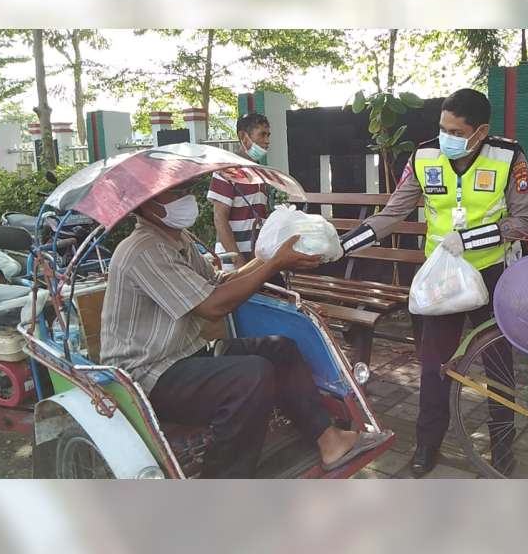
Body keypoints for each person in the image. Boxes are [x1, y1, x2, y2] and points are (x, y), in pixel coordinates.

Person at [100, 180, 390, 478]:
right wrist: (274, 263)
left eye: (186, 191)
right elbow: (214, 306)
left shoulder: (176, 240)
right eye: (176, 194)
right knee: (250, 375)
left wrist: (268, 257)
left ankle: (329, 441)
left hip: (183, 355)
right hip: (146, 376)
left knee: (280, 347)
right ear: (146, 204)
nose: (186, 199)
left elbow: (219, 283)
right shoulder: (143, 250)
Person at [340, 88, 528, 476]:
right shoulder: (425, 155)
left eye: (455, 130)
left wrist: (469, 239)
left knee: (498, 365)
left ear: (480, 132)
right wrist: (342, 245)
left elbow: (525, 221)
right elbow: (393, 213)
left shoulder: (509, 157)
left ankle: (501, 445)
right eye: (442, 127)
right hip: (442, 280)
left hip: (491, 273)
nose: (445, 135)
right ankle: (427, 444)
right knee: (434, 366)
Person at [207, 113, 272, 269]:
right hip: (232, 261)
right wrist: (239, 262)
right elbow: (219, 219)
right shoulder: (227, 171)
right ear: (243, 136)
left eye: (268, 135)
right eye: (262, 135)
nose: (267, 141)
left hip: (255, 258)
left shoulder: (260, 173)